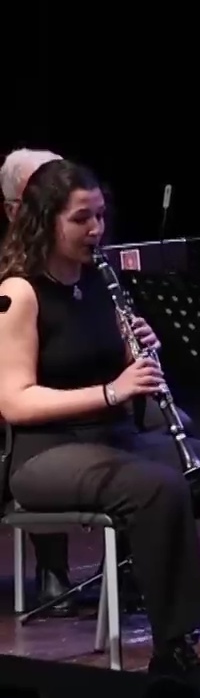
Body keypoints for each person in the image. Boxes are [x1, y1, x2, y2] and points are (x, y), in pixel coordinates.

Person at [0, 159, 200, 683]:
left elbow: (120, 375)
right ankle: (174, 648)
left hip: (116, 440)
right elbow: (15, 402)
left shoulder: (103, 282)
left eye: (101, 216)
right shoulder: (21, 293)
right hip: (45, 453)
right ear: (45, 222)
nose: (96, 231)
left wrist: (140, 352)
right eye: (81, 219)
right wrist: (114, 390)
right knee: (157, 488)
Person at [1, 147, 74, 614]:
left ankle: (132, 567)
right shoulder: (13, 278)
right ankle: (53, 569)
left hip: (77, 394)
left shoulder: (75, 268)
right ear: (14, 209)